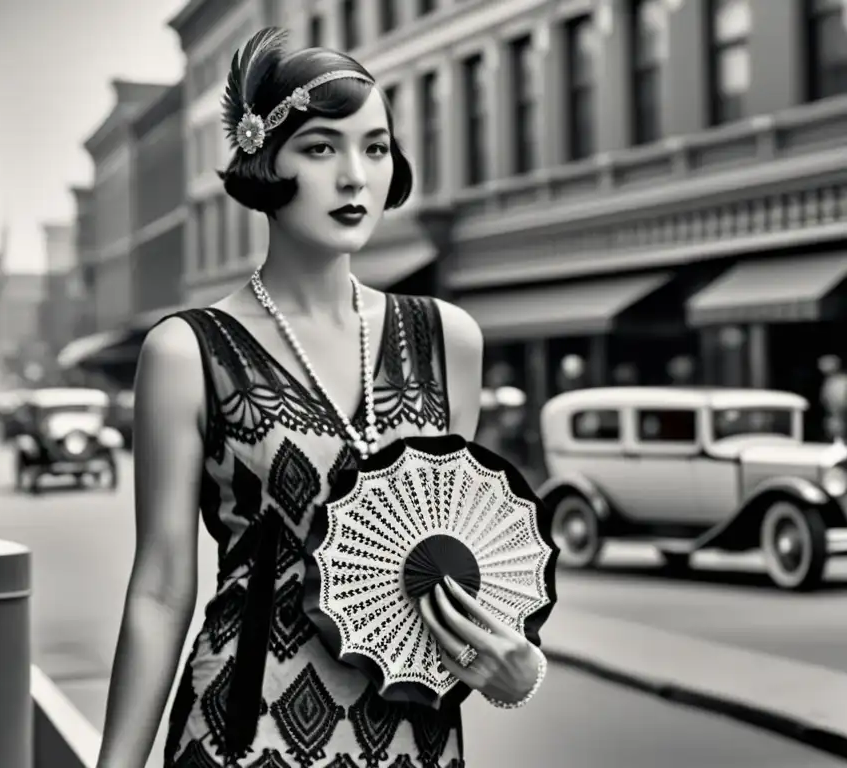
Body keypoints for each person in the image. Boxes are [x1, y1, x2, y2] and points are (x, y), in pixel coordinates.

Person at [96, 28, 546, 768]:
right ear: (265, 161)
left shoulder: (447, 341)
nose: (354, 178)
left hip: (412, 736)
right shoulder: (188, 351)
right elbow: (160, 587)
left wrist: (519, 670)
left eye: (375, 148)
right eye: (320, 148)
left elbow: (463, 566)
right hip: (244, 731)